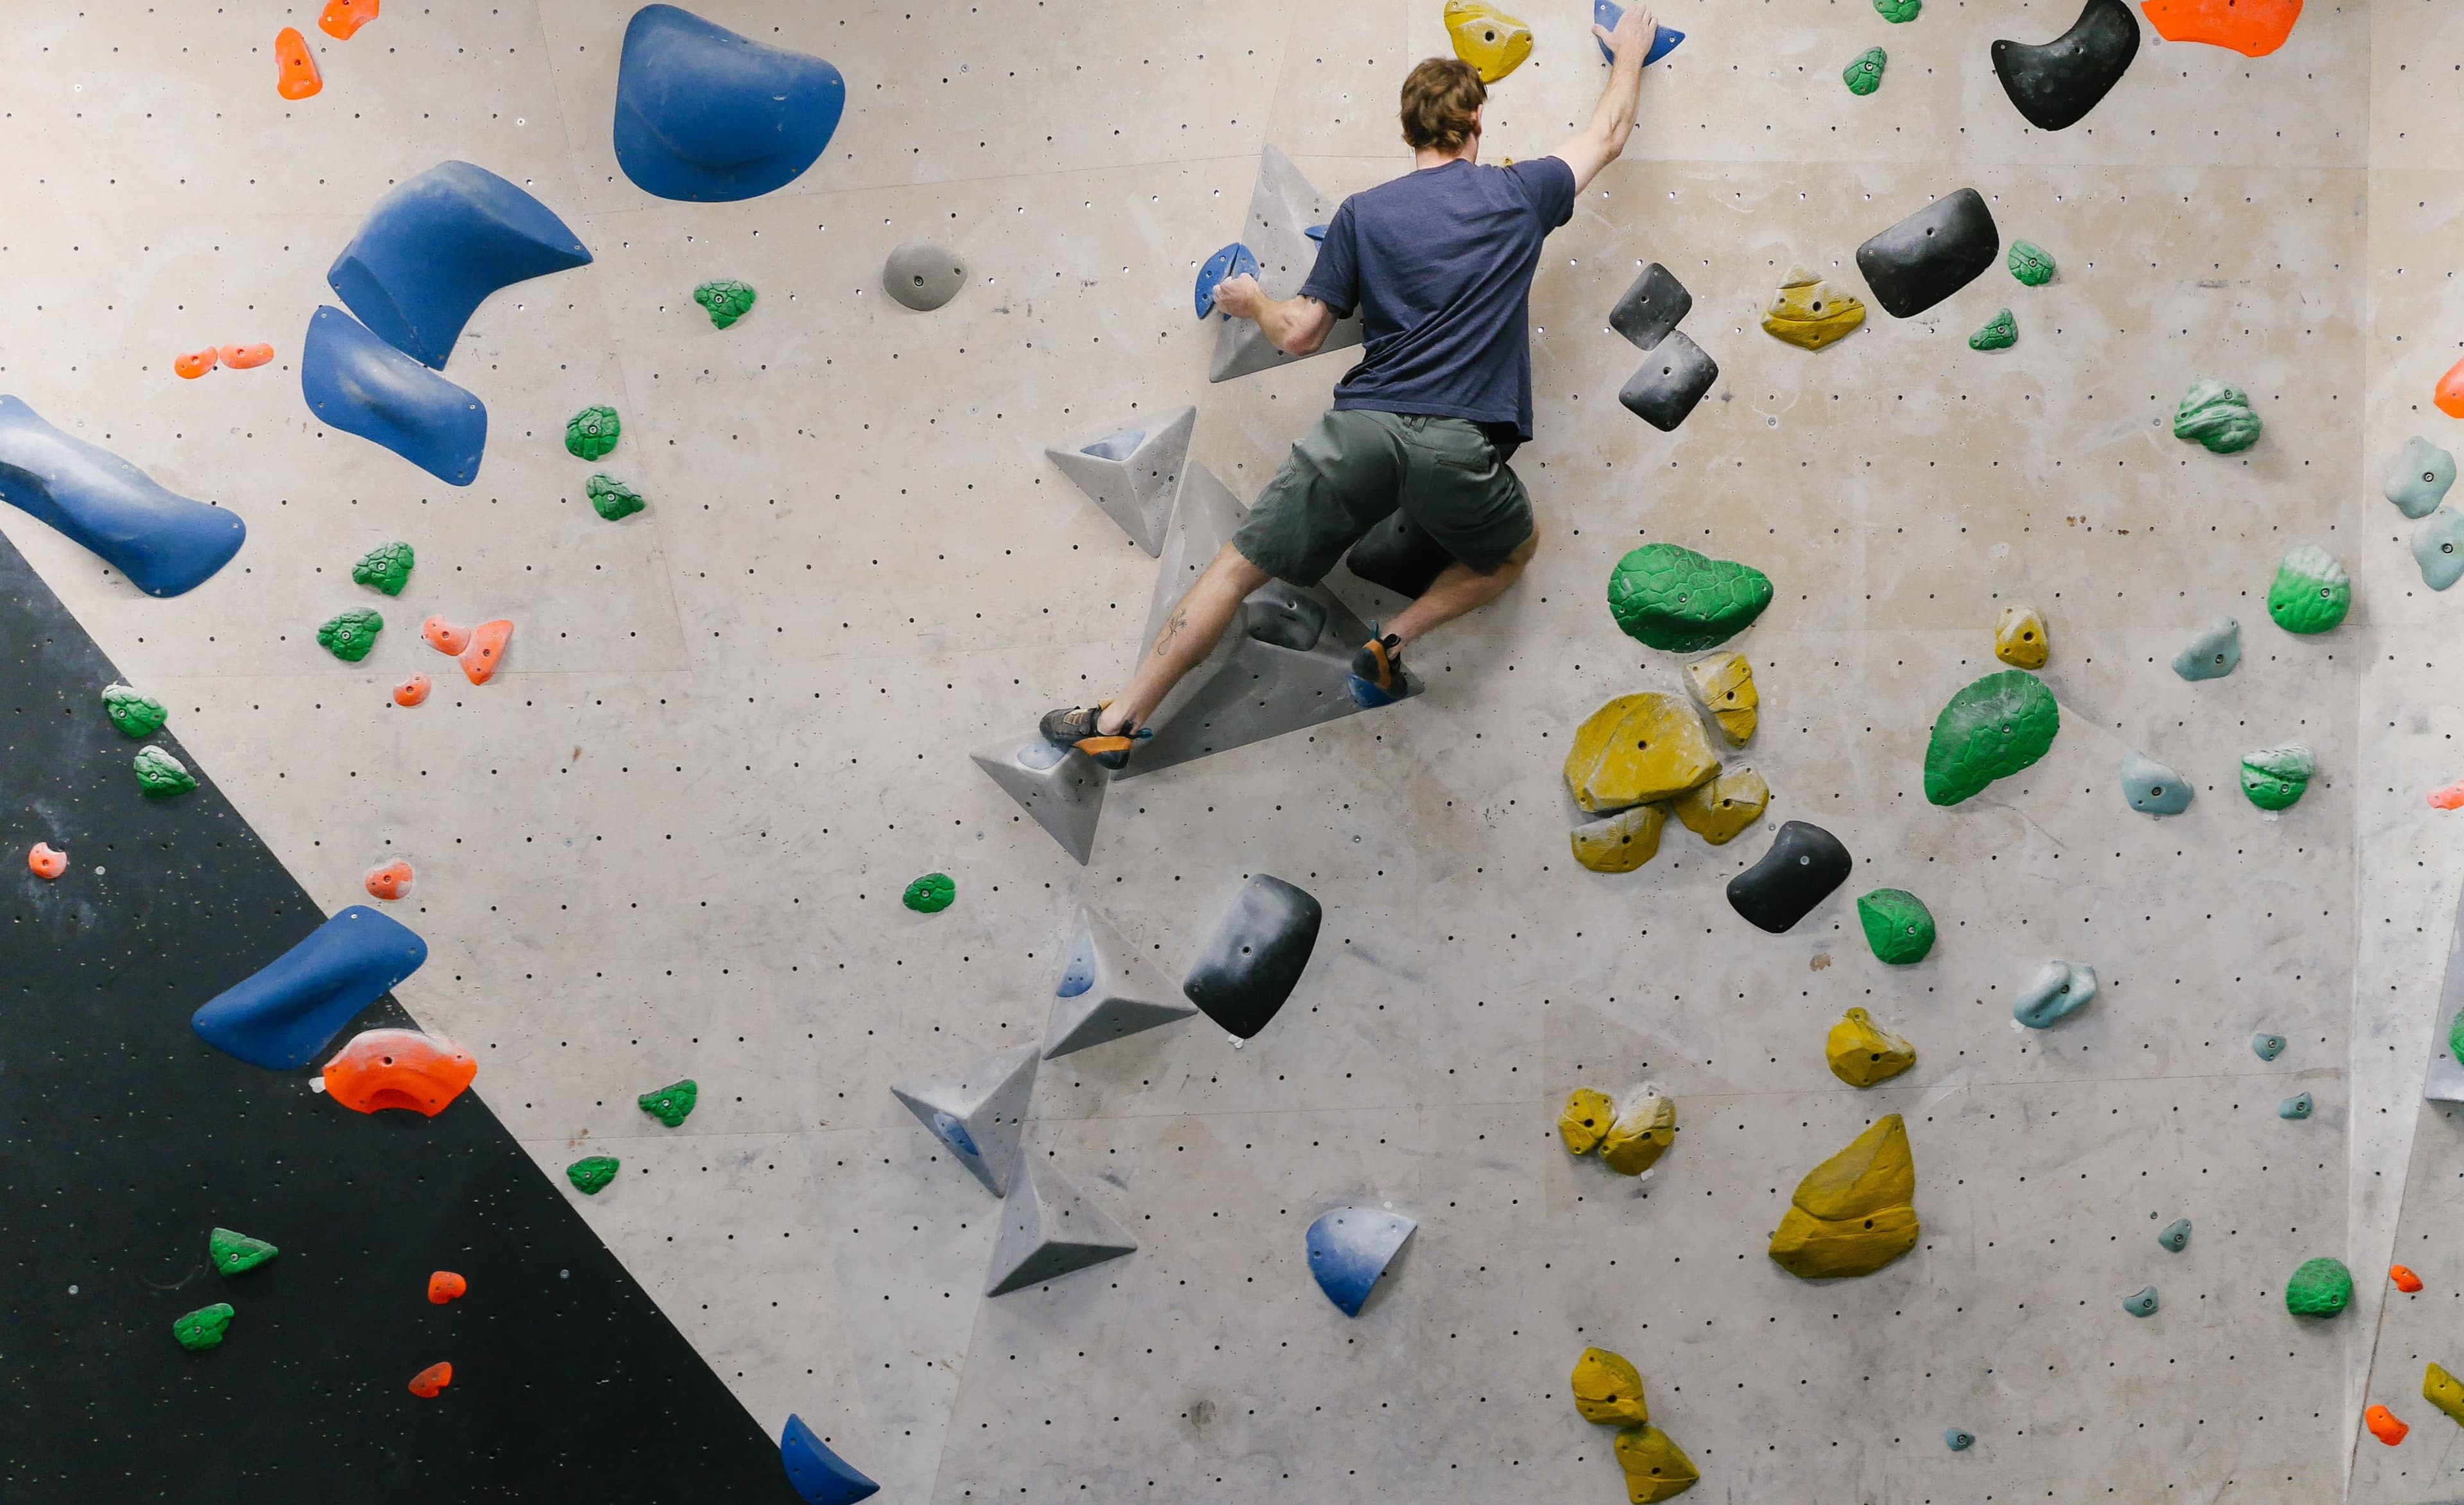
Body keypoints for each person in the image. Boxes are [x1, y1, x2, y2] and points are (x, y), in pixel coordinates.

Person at [1041, 3, 1661, 768]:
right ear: (1475, 129)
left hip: (1360, 430)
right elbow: (1609, 134)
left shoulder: (1363, 215)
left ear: (1410, 134)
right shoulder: (1518, 193)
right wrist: (1628, 54)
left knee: (1236, 568)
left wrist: (1249, 301)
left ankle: (1119, 715)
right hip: (1455, 442)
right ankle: (1392, 640)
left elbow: (1301, 330)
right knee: (1510, 552)